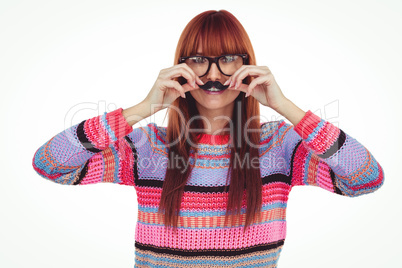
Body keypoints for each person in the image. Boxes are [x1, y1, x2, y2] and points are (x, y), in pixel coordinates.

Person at [32, 9, 384, 268]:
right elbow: (51, 165)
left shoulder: (279, 146)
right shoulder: (148, 146)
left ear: (247, 66)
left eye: (228, 59)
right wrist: (144, 107)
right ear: (181, 67)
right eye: (200, 60)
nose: (213, 74)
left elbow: (365, 179)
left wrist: (285, 106)